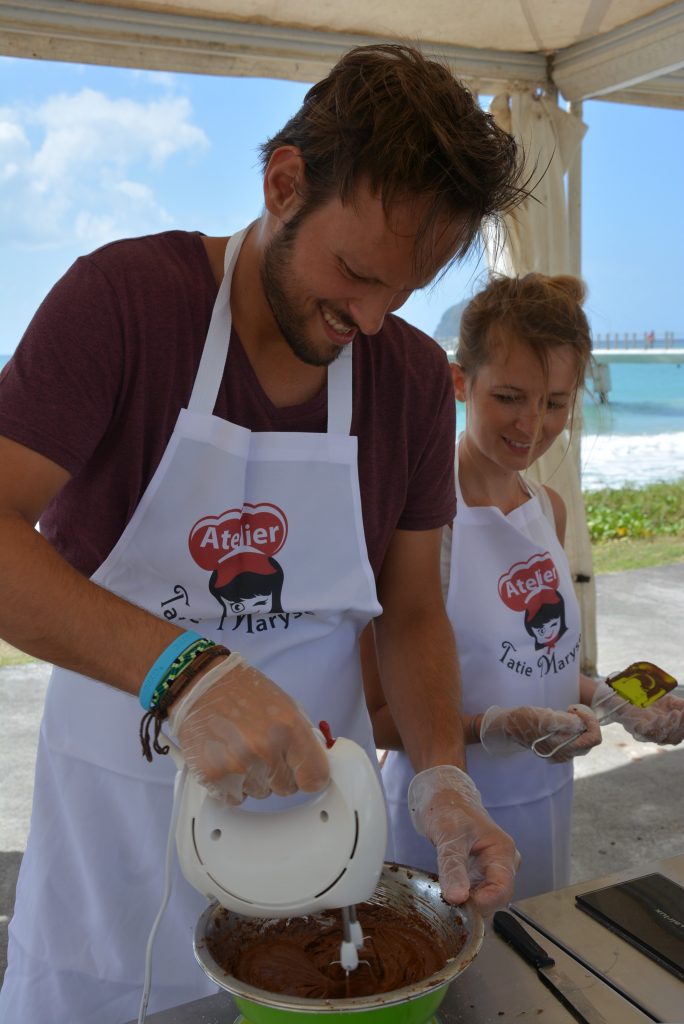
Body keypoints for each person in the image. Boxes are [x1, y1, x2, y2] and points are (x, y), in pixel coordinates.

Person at [0, 44, 529, 1024]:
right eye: (356, 273)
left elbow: (412, 612)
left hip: (313, 859)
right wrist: (185, 673)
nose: (368, 320)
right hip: (109, 881)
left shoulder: (410, 383)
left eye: (401, 292)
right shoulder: (124, 307)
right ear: (283, 181)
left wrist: (444, 778)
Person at [367, 273, 684, 900]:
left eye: (556, 402)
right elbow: (376, 717)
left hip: (546, 807)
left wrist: (618, 700)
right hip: (443, 817)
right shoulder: (418, 523)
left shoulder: (549, 508)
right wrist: (493, 726)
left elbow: (545, 660)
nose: (533, 425)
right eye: (510, 396)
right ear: (461, 381)